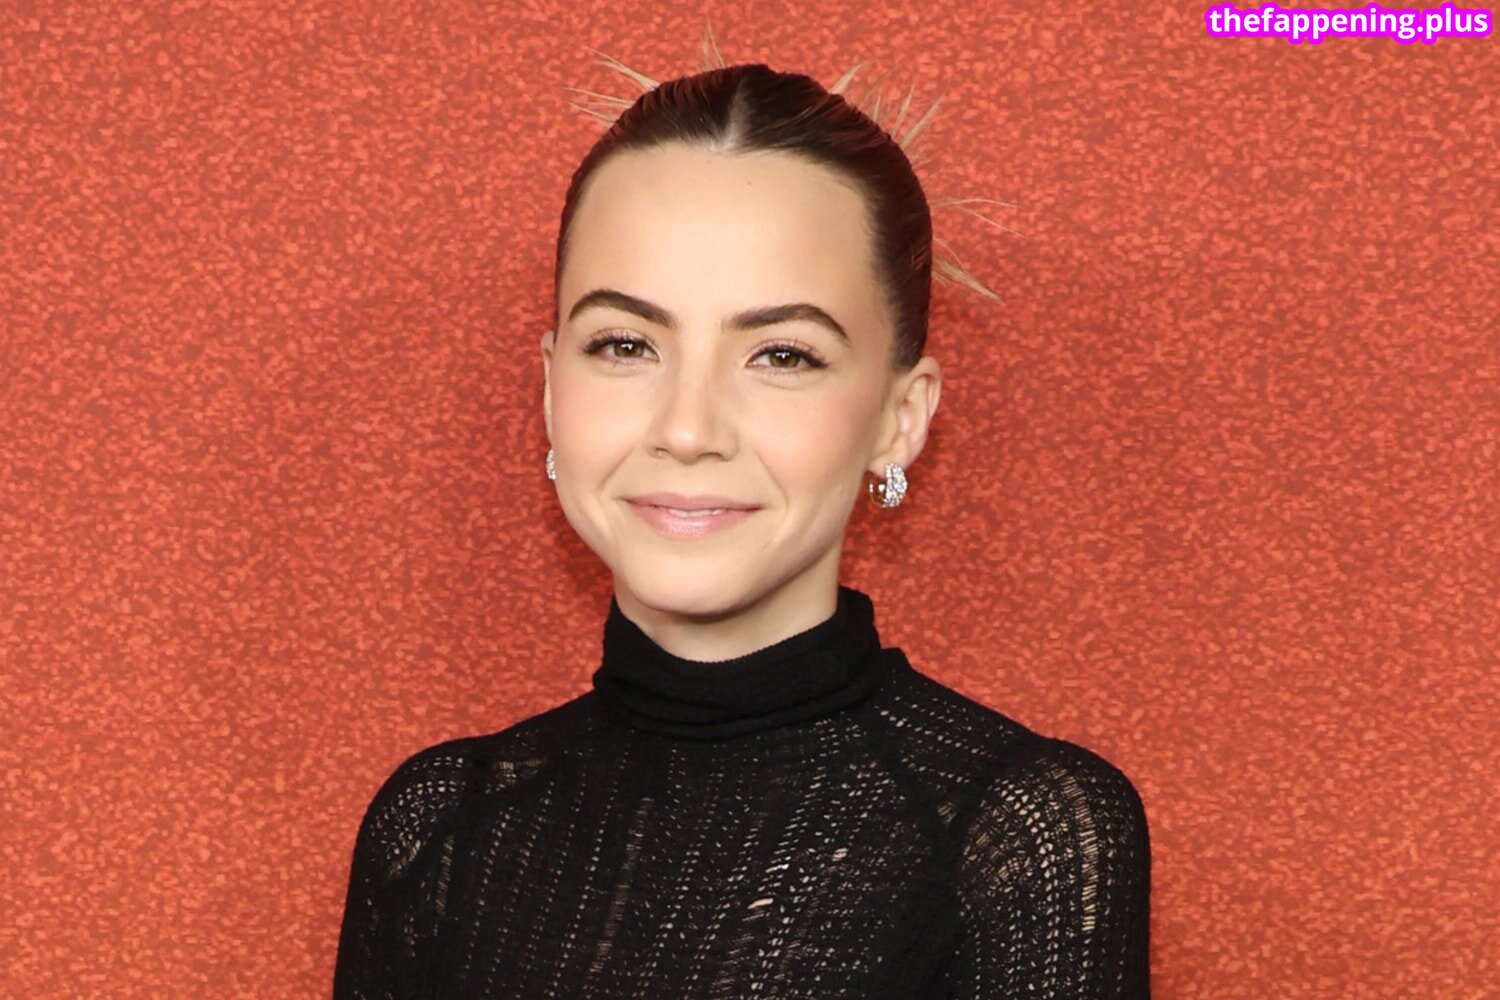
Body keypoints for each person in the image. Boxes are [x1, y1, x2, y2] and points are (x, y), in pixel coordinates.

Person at [334, 44, 1151, 1000]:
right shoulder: (439, 827)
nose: (688, 430)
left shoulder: (1014, 836)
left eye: (782, 356)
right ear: (552, 389)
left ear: (899, 418)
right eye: (625, 344)